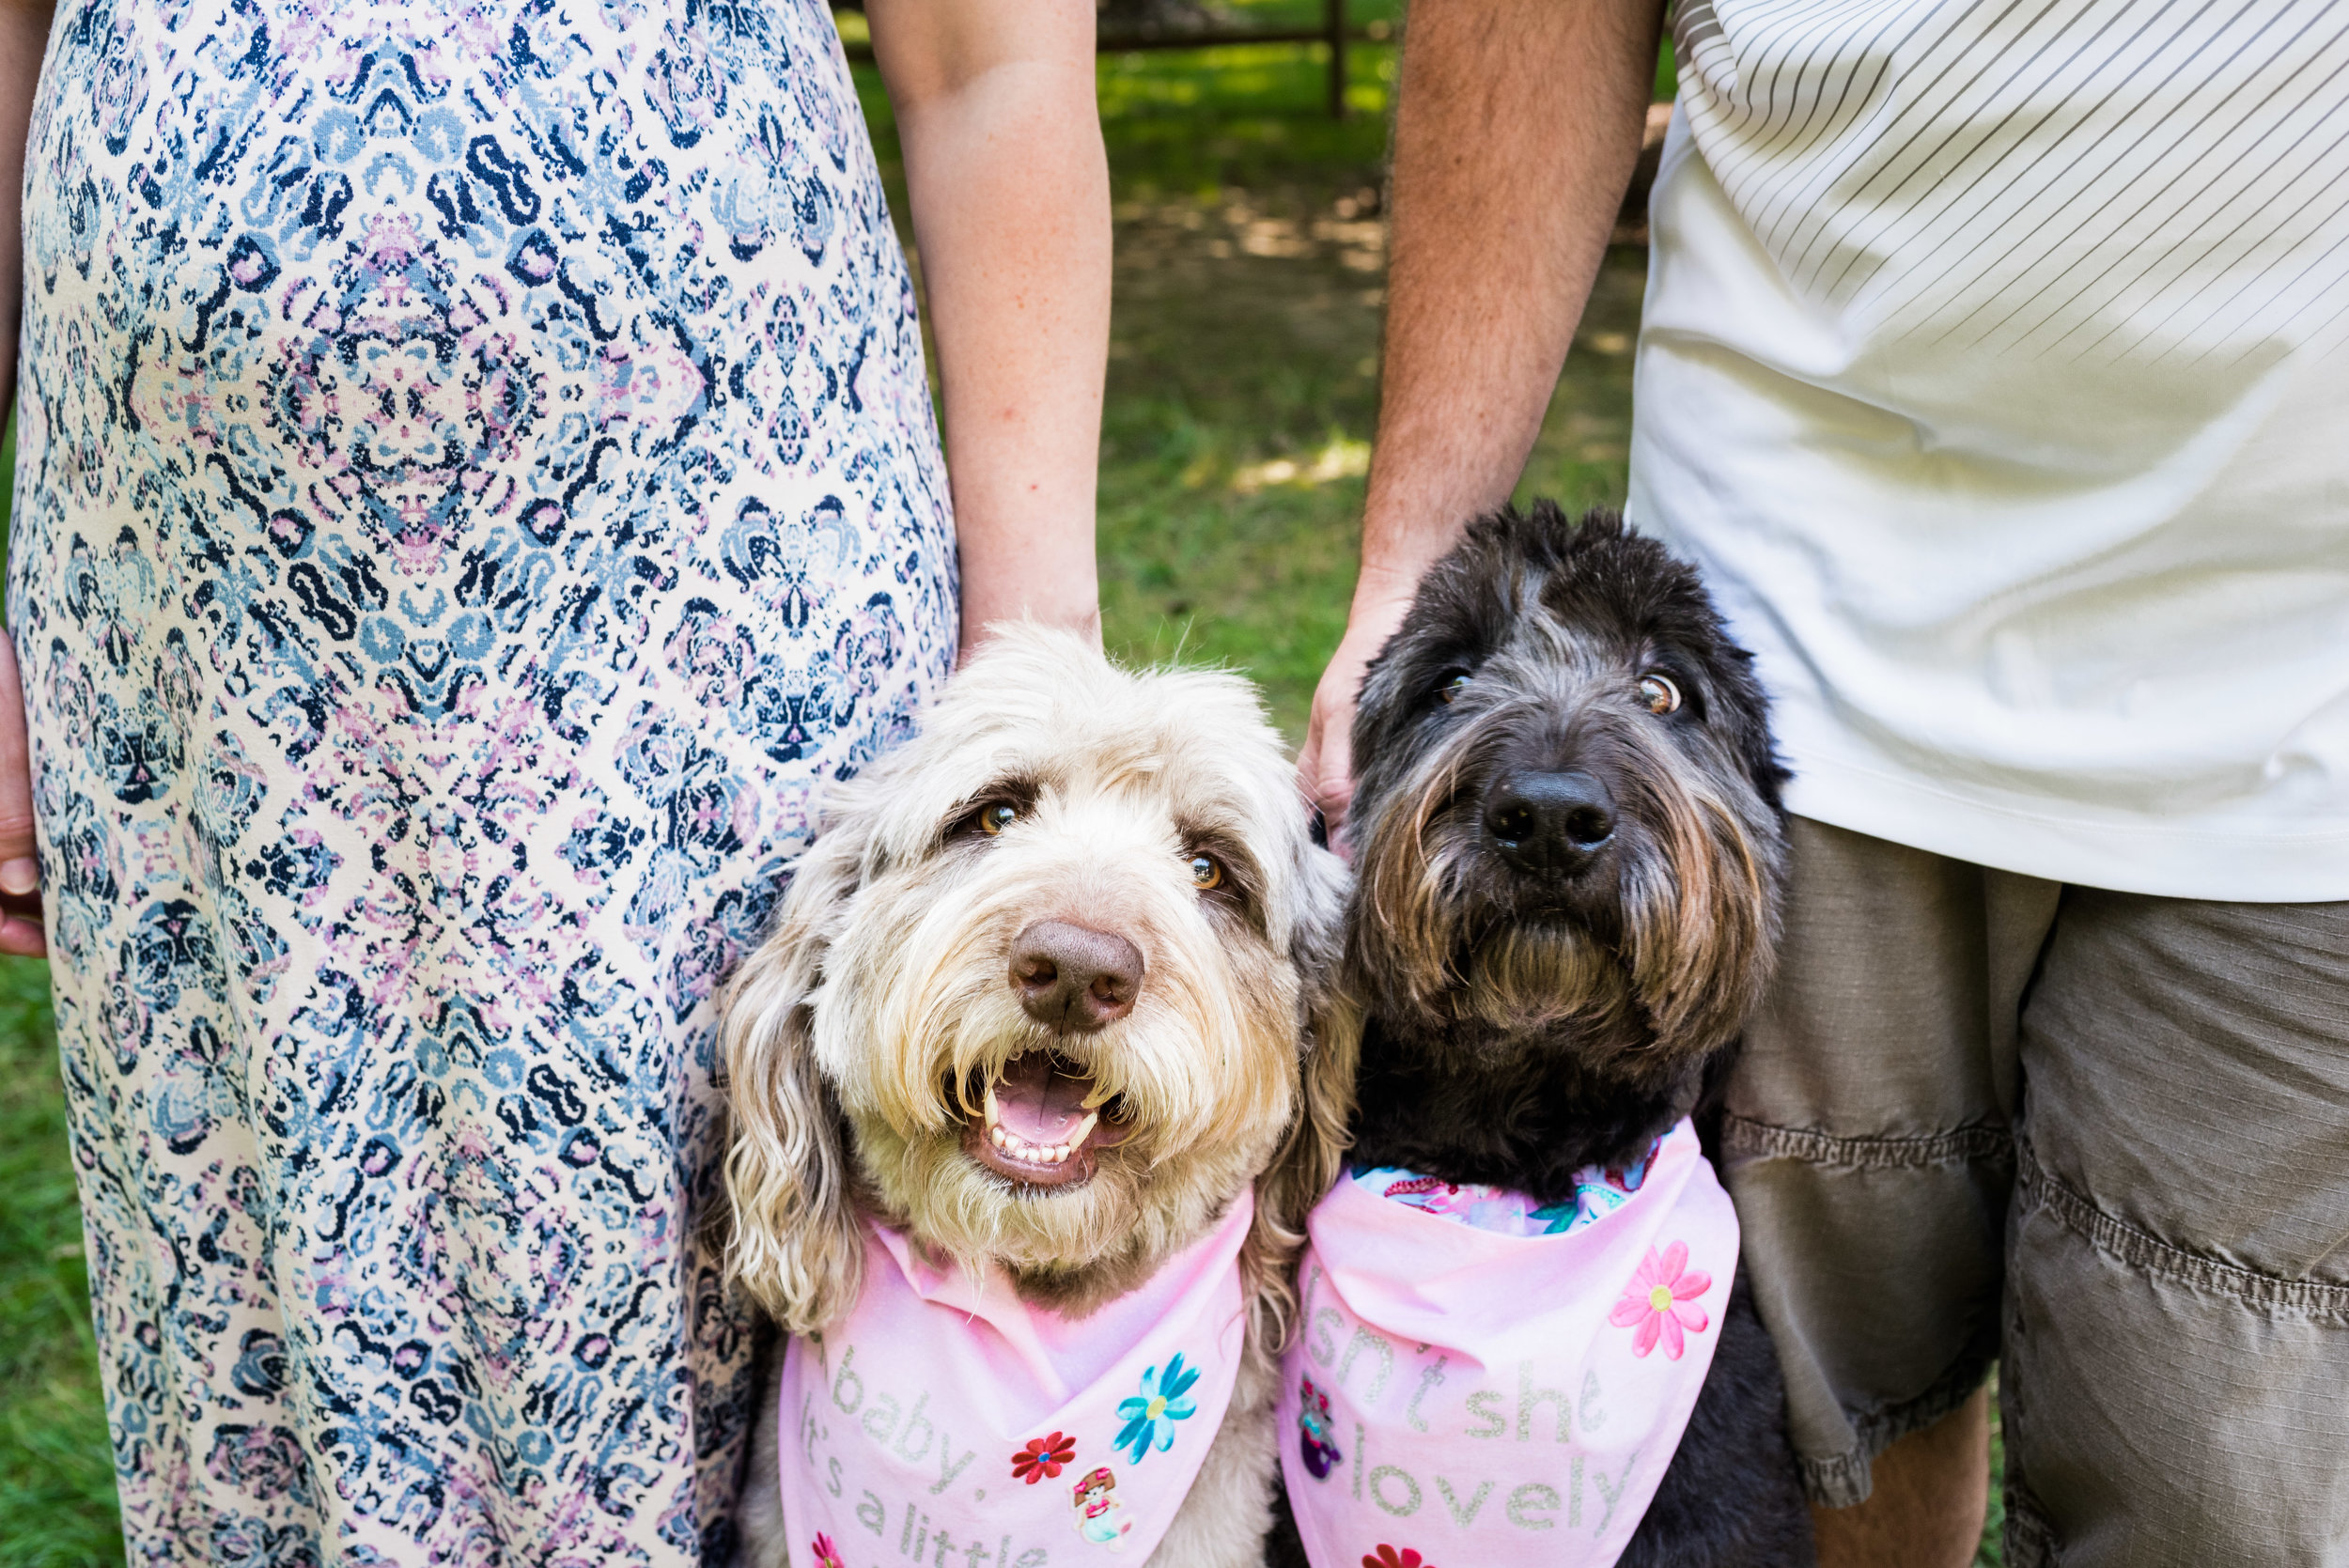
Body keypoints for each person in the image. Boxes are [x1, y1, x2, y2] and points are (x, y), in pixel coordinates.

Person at [0, 0, 1106, 1559]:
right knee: (259, 1286)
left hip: (710, 598)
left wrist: (1034, 685)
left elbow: (994, 62)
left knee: (744, 1265)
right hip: (179, 616)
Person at [1297, 3, 2349, 1565]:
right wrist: (1410, 566)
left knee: (2225, 1493)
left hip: (2297, 679)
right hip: (1811, 616)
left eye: (1650, 695)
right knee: (1825, 1432)